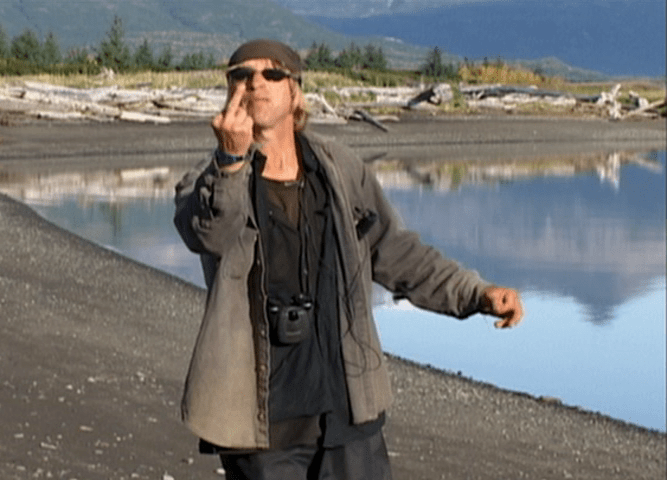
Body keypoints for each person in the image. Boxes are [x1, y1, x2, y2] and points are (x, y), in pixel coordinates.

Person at [173, 39, 524, 480]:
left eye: (271, 74)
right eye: (241, 75)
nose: (255, 83)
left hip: (347, 407)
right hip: (261, 420)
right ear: (229, 91)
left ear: (295, 92)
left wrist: (475, 293)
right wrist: (229, 162)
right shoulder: (206, 183)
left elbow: (397, 253)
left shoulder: (339, 170)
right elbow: (209, 236)